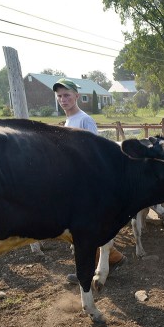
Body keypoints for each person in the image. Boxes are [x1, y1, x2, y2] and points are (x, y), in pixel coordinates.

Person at [52, 78, 127, 282]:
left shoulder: (85, 120)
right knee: (84, 228)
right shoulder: (69, 121)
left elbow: (94, 153)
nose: (63, 99)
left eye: (67, 95)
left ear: (77, 96)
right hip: (75, 181)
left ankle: (89, 269)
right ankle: (113, 257)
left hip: (86, 183)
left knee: (84, 229)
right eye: (59, 96)